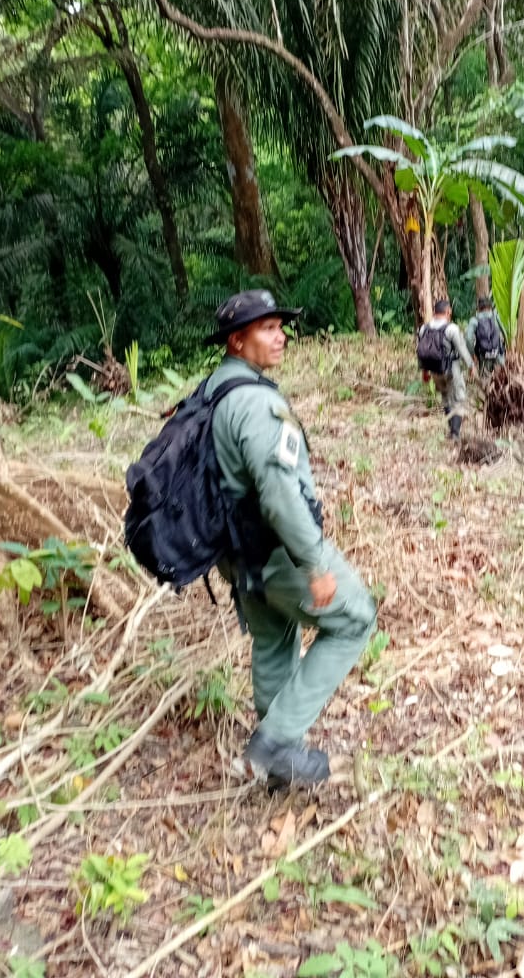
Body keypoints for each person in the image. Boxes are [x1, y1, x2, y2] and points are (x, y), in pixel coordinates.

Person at [205, 289, 376, 786]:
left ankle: (279, 769)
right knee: (355, 618)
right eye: (267, 329)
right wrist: (313, 564)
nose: (280, 337)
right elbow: (280, 496)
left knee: (274, 639)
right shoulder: (257, 404)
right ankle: (275, 745)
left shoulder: (213, 391)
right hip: (275, 548)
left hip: (236, 551)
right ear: (237, 342)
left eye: (281, 327)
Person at [417, 298, 475, 440]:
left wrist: (424, 371)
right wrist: (471, 366)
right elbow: (462, 349)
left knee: (446, 399)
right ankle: (455, 433)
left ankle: (451, 431)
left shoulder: (424, 328)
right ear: (448, 312)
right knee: (458, 399)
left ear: (435, 312)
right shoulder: (452, 329)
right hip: (451, 370)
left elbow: (420, 351)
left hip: (434, 370)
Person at [464, 295, 506, 380]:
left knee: (485, 379)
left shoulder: (474, 320)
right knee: (501, 379)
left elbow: (468, 338)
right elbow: (505, 333)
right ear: (490, 306)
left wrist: (472, 354)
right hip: (498, 353)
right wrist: (505, 346)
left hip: (483, 354)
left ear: (478, 308)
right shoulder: (496, 317)